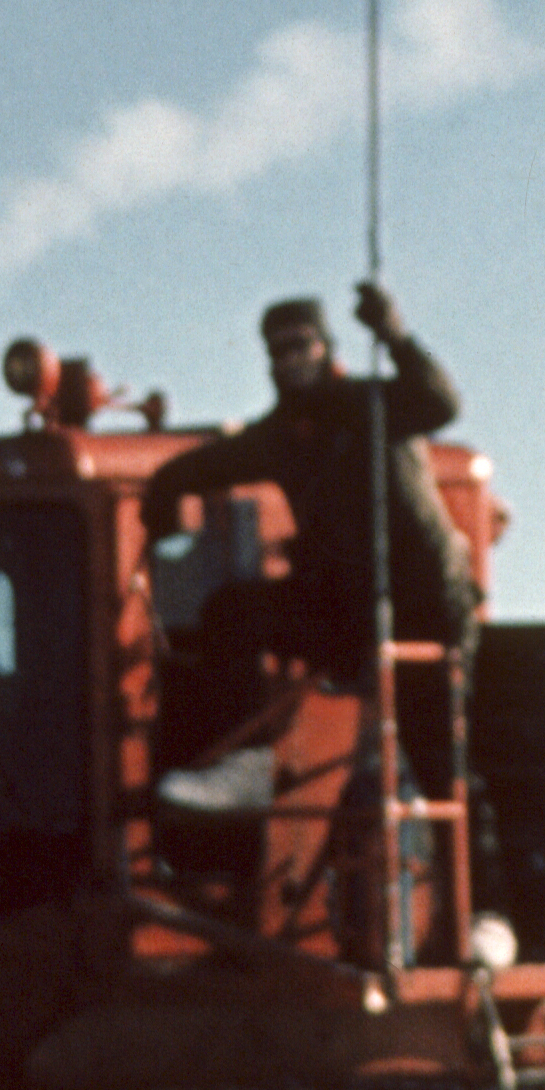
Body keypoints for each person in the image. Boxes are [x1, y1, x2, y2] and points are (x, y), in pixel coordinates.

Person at [144, 282, 465, 811]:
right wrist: (162, 493)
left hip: (423, 606)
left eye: (301, 345)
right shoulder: (280, 437)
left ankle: (469, 877)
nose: (291, 360)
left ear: (327, 348)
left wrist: (394, 335)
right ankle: (246, 760)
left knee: (436, 762)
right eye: (279, 351)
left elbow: (439, 401)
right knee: (232, 613)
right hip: (347, 608)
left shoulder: (374, 406)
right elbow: (211, 463)